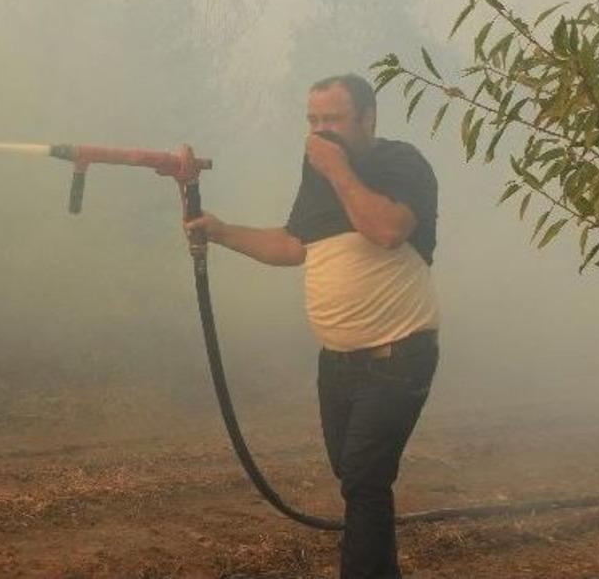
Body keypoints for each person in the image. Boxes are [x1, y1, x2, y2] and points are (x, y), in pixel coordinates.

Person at [185, 73, 439, 579]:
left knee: (364, 482)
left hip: (398, 356)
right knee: (354, 476)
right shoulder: (317, 173)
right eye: (313, 120)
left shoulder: (401, 163)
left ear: (367, 119)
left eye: (333, 120)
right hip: (338, 361)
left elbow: (387, 231)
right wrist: (220, 231)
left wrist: (338, 169)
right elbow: (295, 246)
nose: (320, 132)